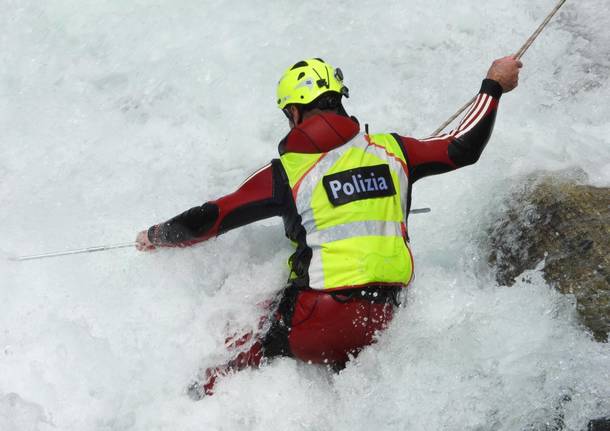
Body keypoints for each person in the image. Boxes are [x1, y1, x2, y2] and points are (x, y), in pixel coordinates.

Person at [136, 56, 522, 397]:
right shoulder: (394, 151)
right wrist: (493, 85)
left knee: (245, 333)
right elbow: (461, 147)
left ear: (296, 114)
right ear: (339, 101)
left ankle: (191, 401)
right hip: (386, 318)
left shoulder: (286, 172)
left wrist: (155, 236)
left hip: (316, 321)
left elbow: (210, 219)